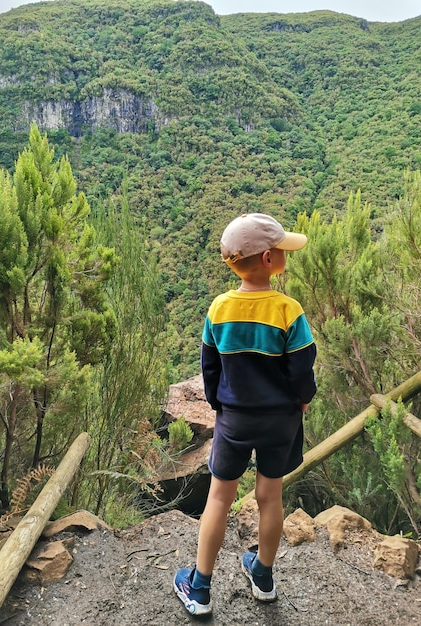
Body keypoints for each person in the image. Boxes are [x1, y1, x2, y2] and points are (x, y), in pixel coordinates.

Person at [173, 213, 317, 616]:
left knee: (219, 497)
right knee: (270, 497)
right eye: (283, 249)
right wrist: (302, 399)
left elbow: (210, 367)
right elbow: (302, 369)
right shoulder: (289, 310)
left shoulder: (219, 309)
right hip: (280, 420)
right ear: (269, 259)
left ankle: (199, 588)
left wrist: (222, 406)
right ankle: (264, 577)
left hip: (234, 418)